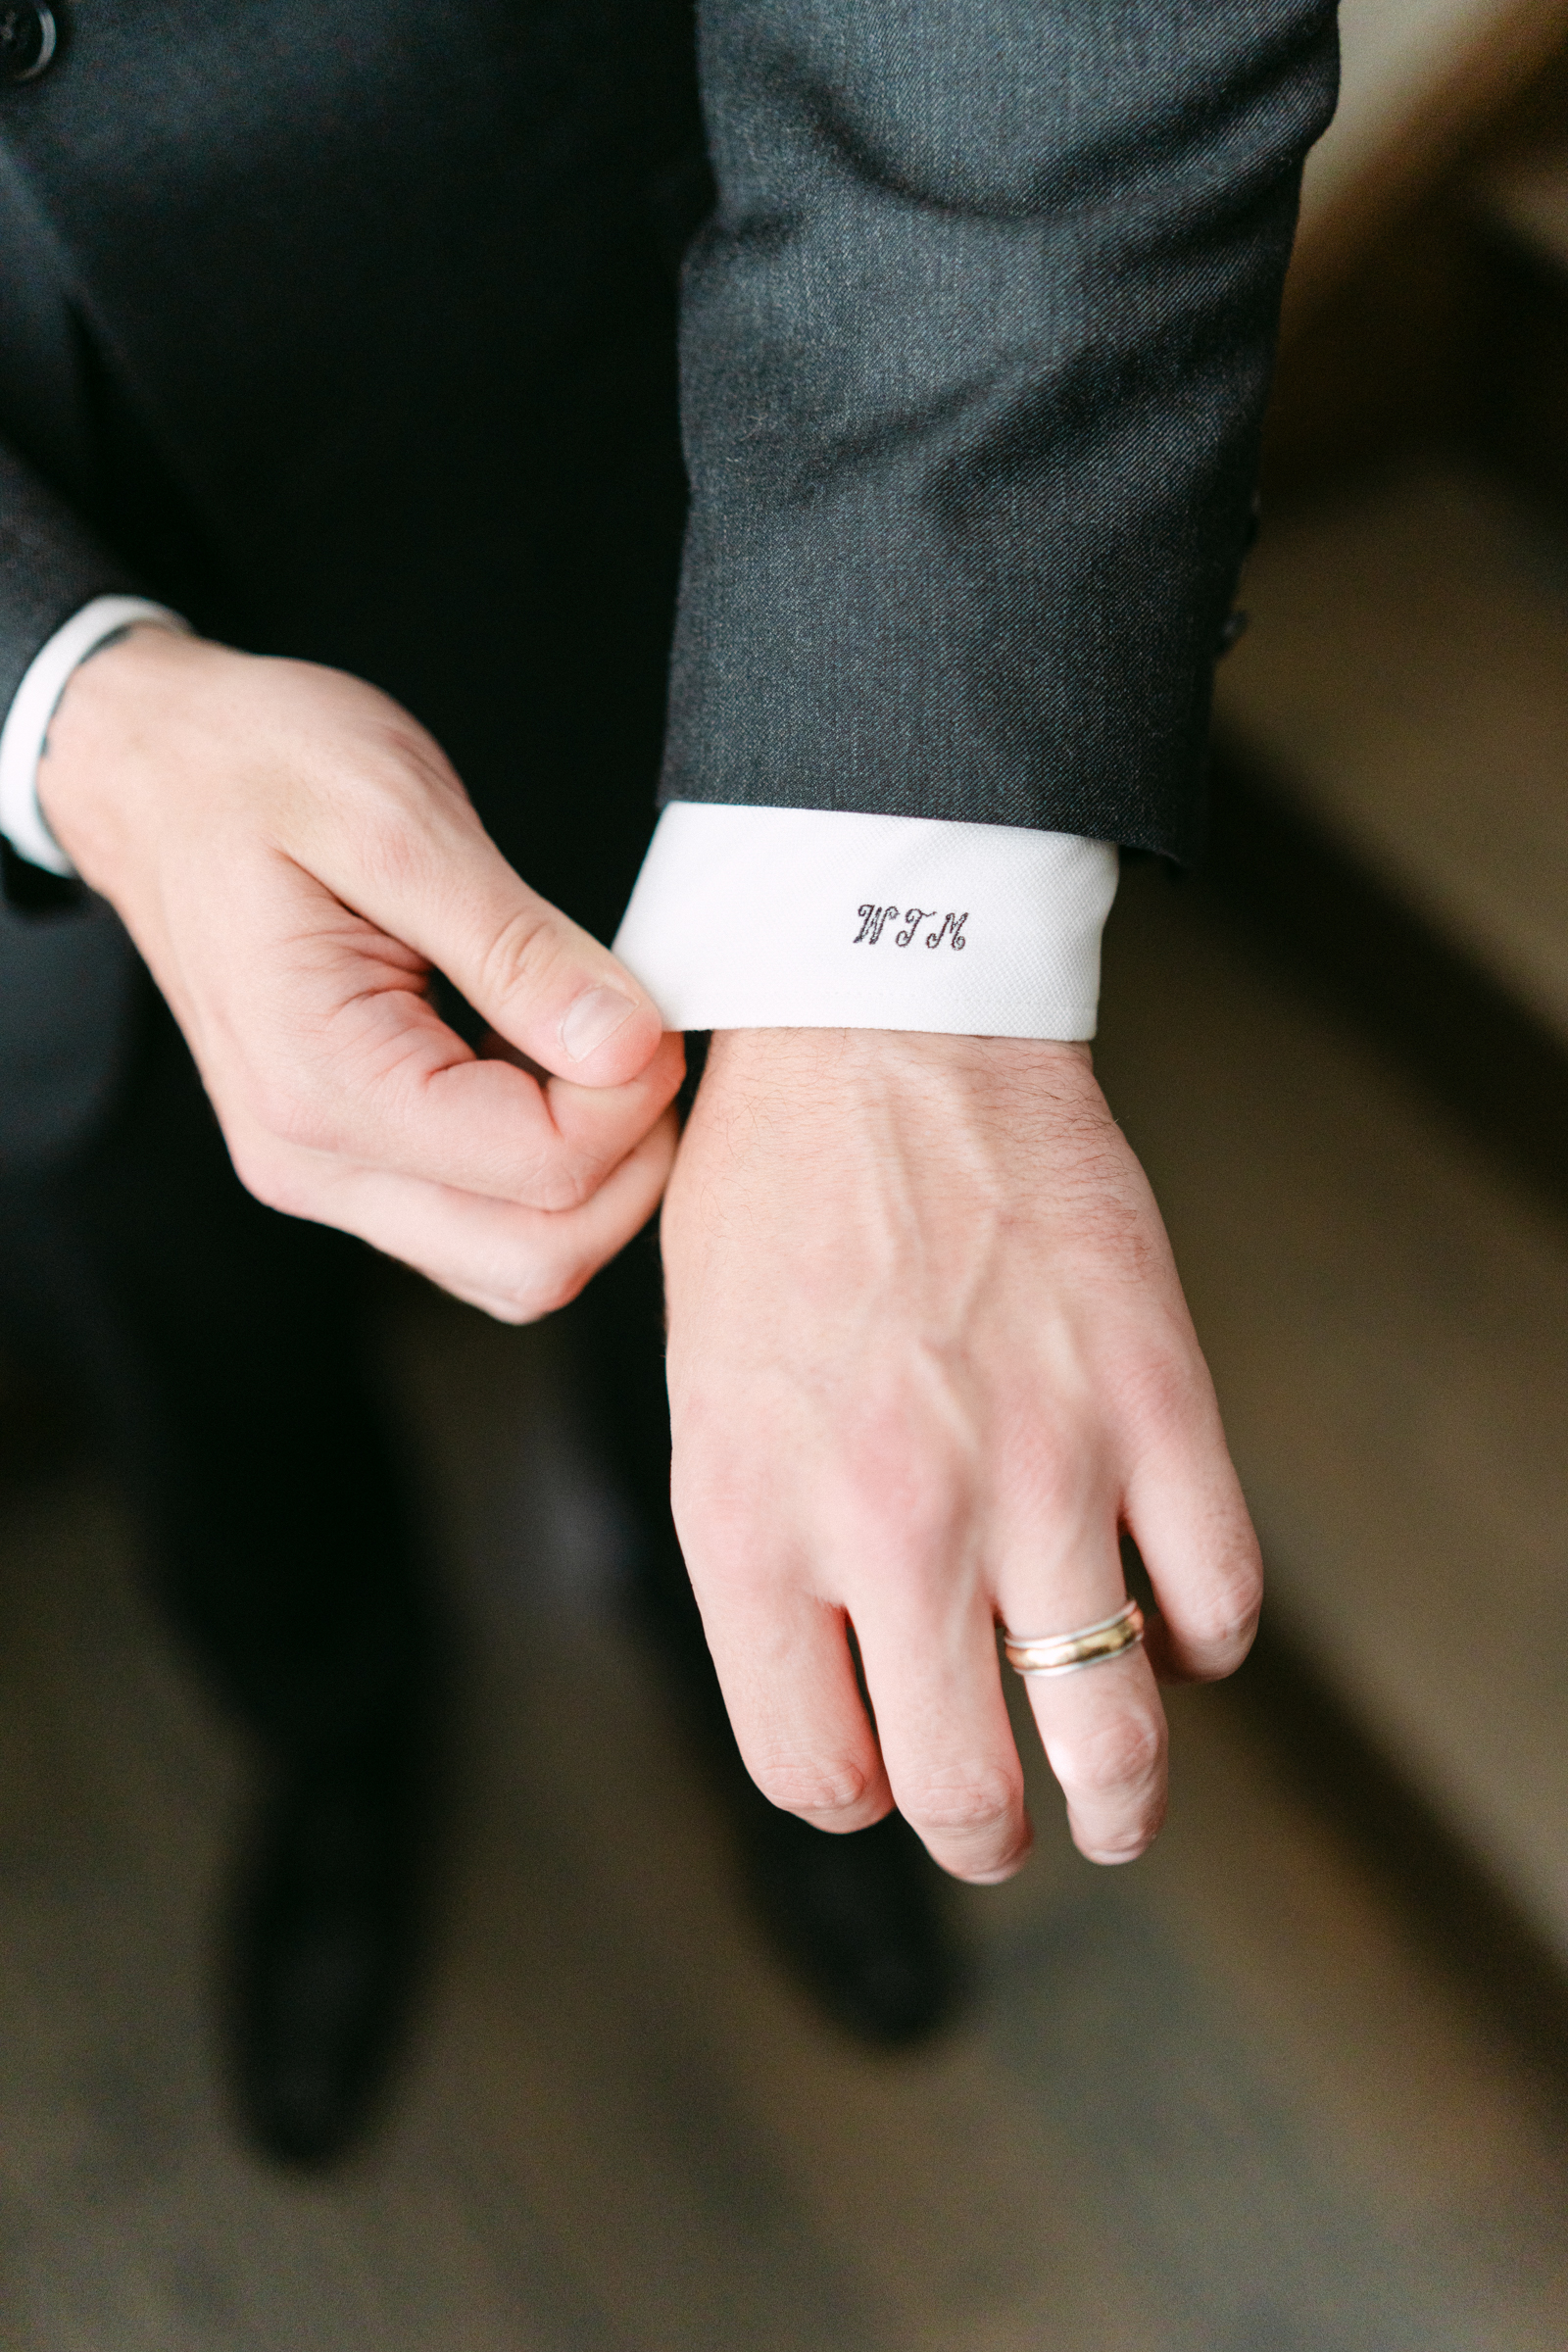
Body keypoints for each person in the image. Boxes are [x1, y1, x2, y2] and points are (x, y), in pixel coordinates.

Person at [0, 0, 1340, 2163]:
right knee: (193, 1373)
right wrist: (52, 697)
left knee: (726, 1296)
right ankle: (339, 1746)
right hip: (25, 897)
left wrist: (884, 932)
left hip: (587, 459)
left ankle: (756, 1700)